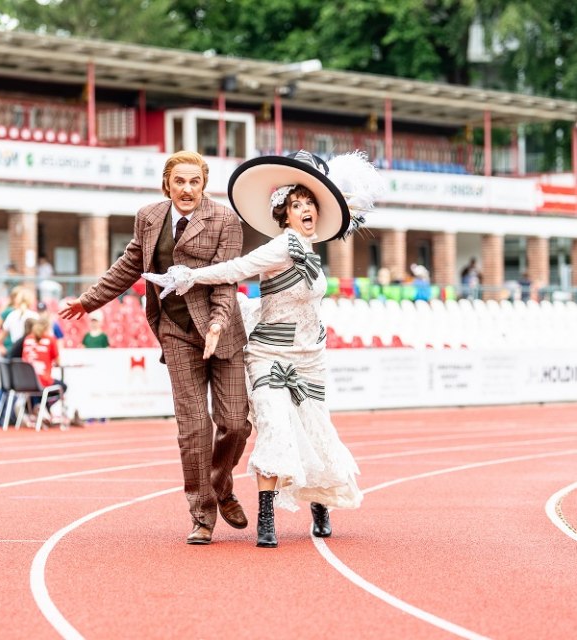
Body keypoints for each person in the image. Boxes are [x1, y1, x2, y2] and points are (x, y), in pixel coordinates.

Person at [145, 149, 384, 547]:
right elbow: (235, 269)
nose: (304, 209)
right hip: (269, 356)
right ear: (284, 215)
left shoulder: (312, 250)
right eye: (295, 204)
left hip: (310, 359)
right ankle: (267, 514)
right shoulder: (283, 246)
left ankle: (319, 502)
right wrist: (190, 275)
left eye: (309, 203)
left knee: (314, 429)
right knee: (273, 427)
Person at [59, 150, 252, 545]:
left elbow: (226, 282)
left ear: (204, 185)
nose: (187, 189)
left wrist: (217, 323)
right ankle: (201, 514)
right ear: (167, 184)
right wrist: (89, 300)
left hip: (221, 331)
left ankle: (220, 482)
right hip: (176, 330)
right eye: (179, 181)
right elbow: (131, 264)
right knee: (193, 427)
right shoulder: (148, 217)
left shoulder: (225, 220)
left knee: (235, 423)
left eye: (194, 182)